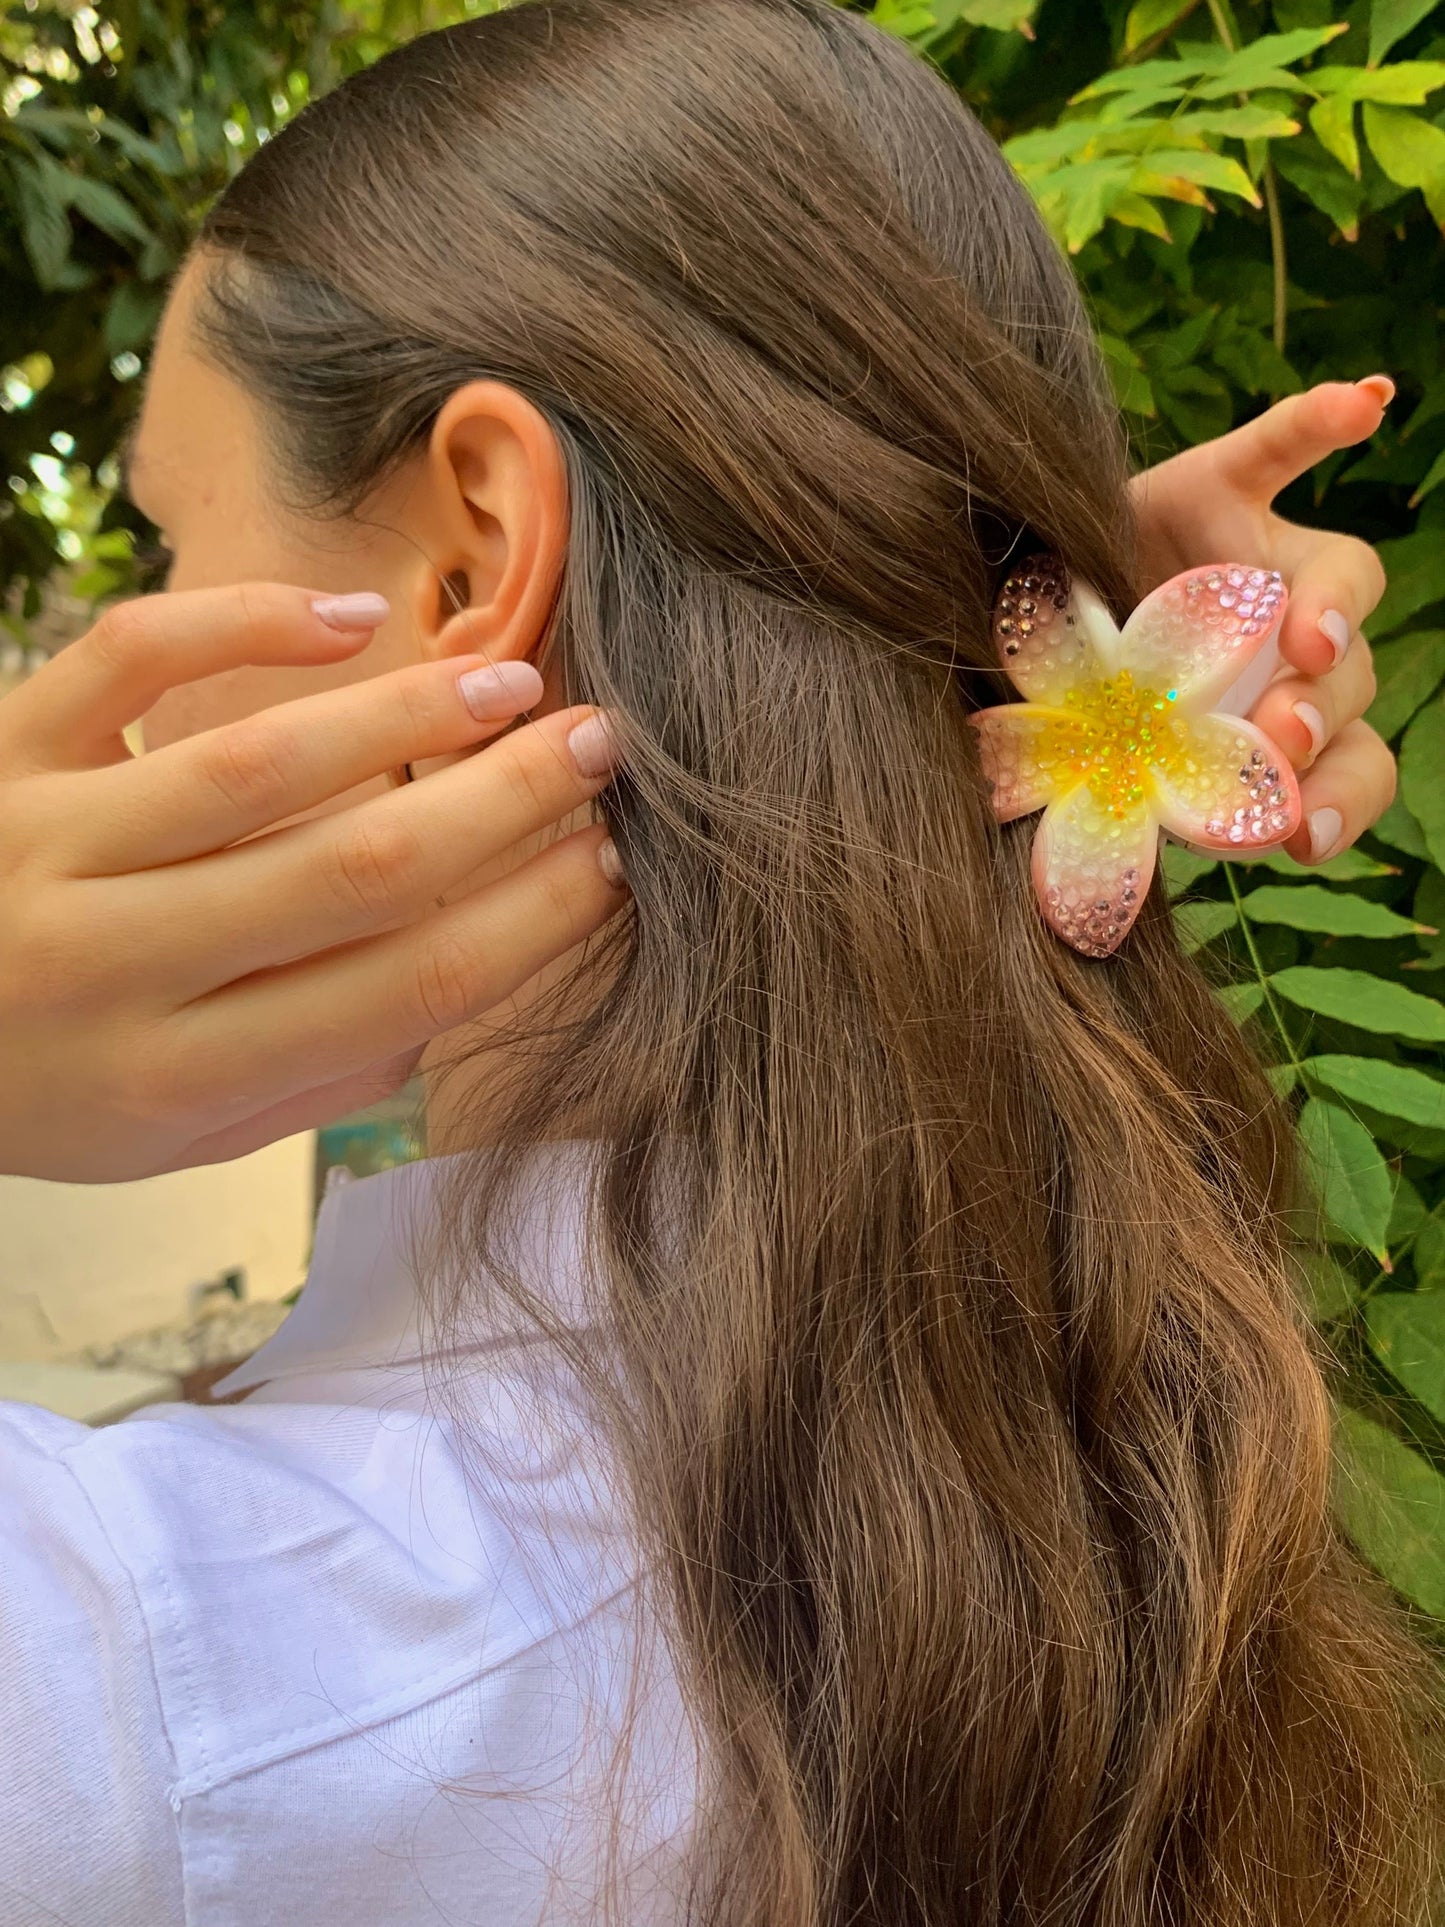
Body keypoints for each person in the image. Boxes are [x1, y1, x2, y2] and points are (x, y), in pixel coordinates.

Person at [0, 2, 1436, 1923]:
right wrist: (951, 614)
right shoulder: (1113, 1481)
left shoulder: (131, 1681)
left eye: (171, 531)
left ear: (464, 564)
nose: (127, 670)